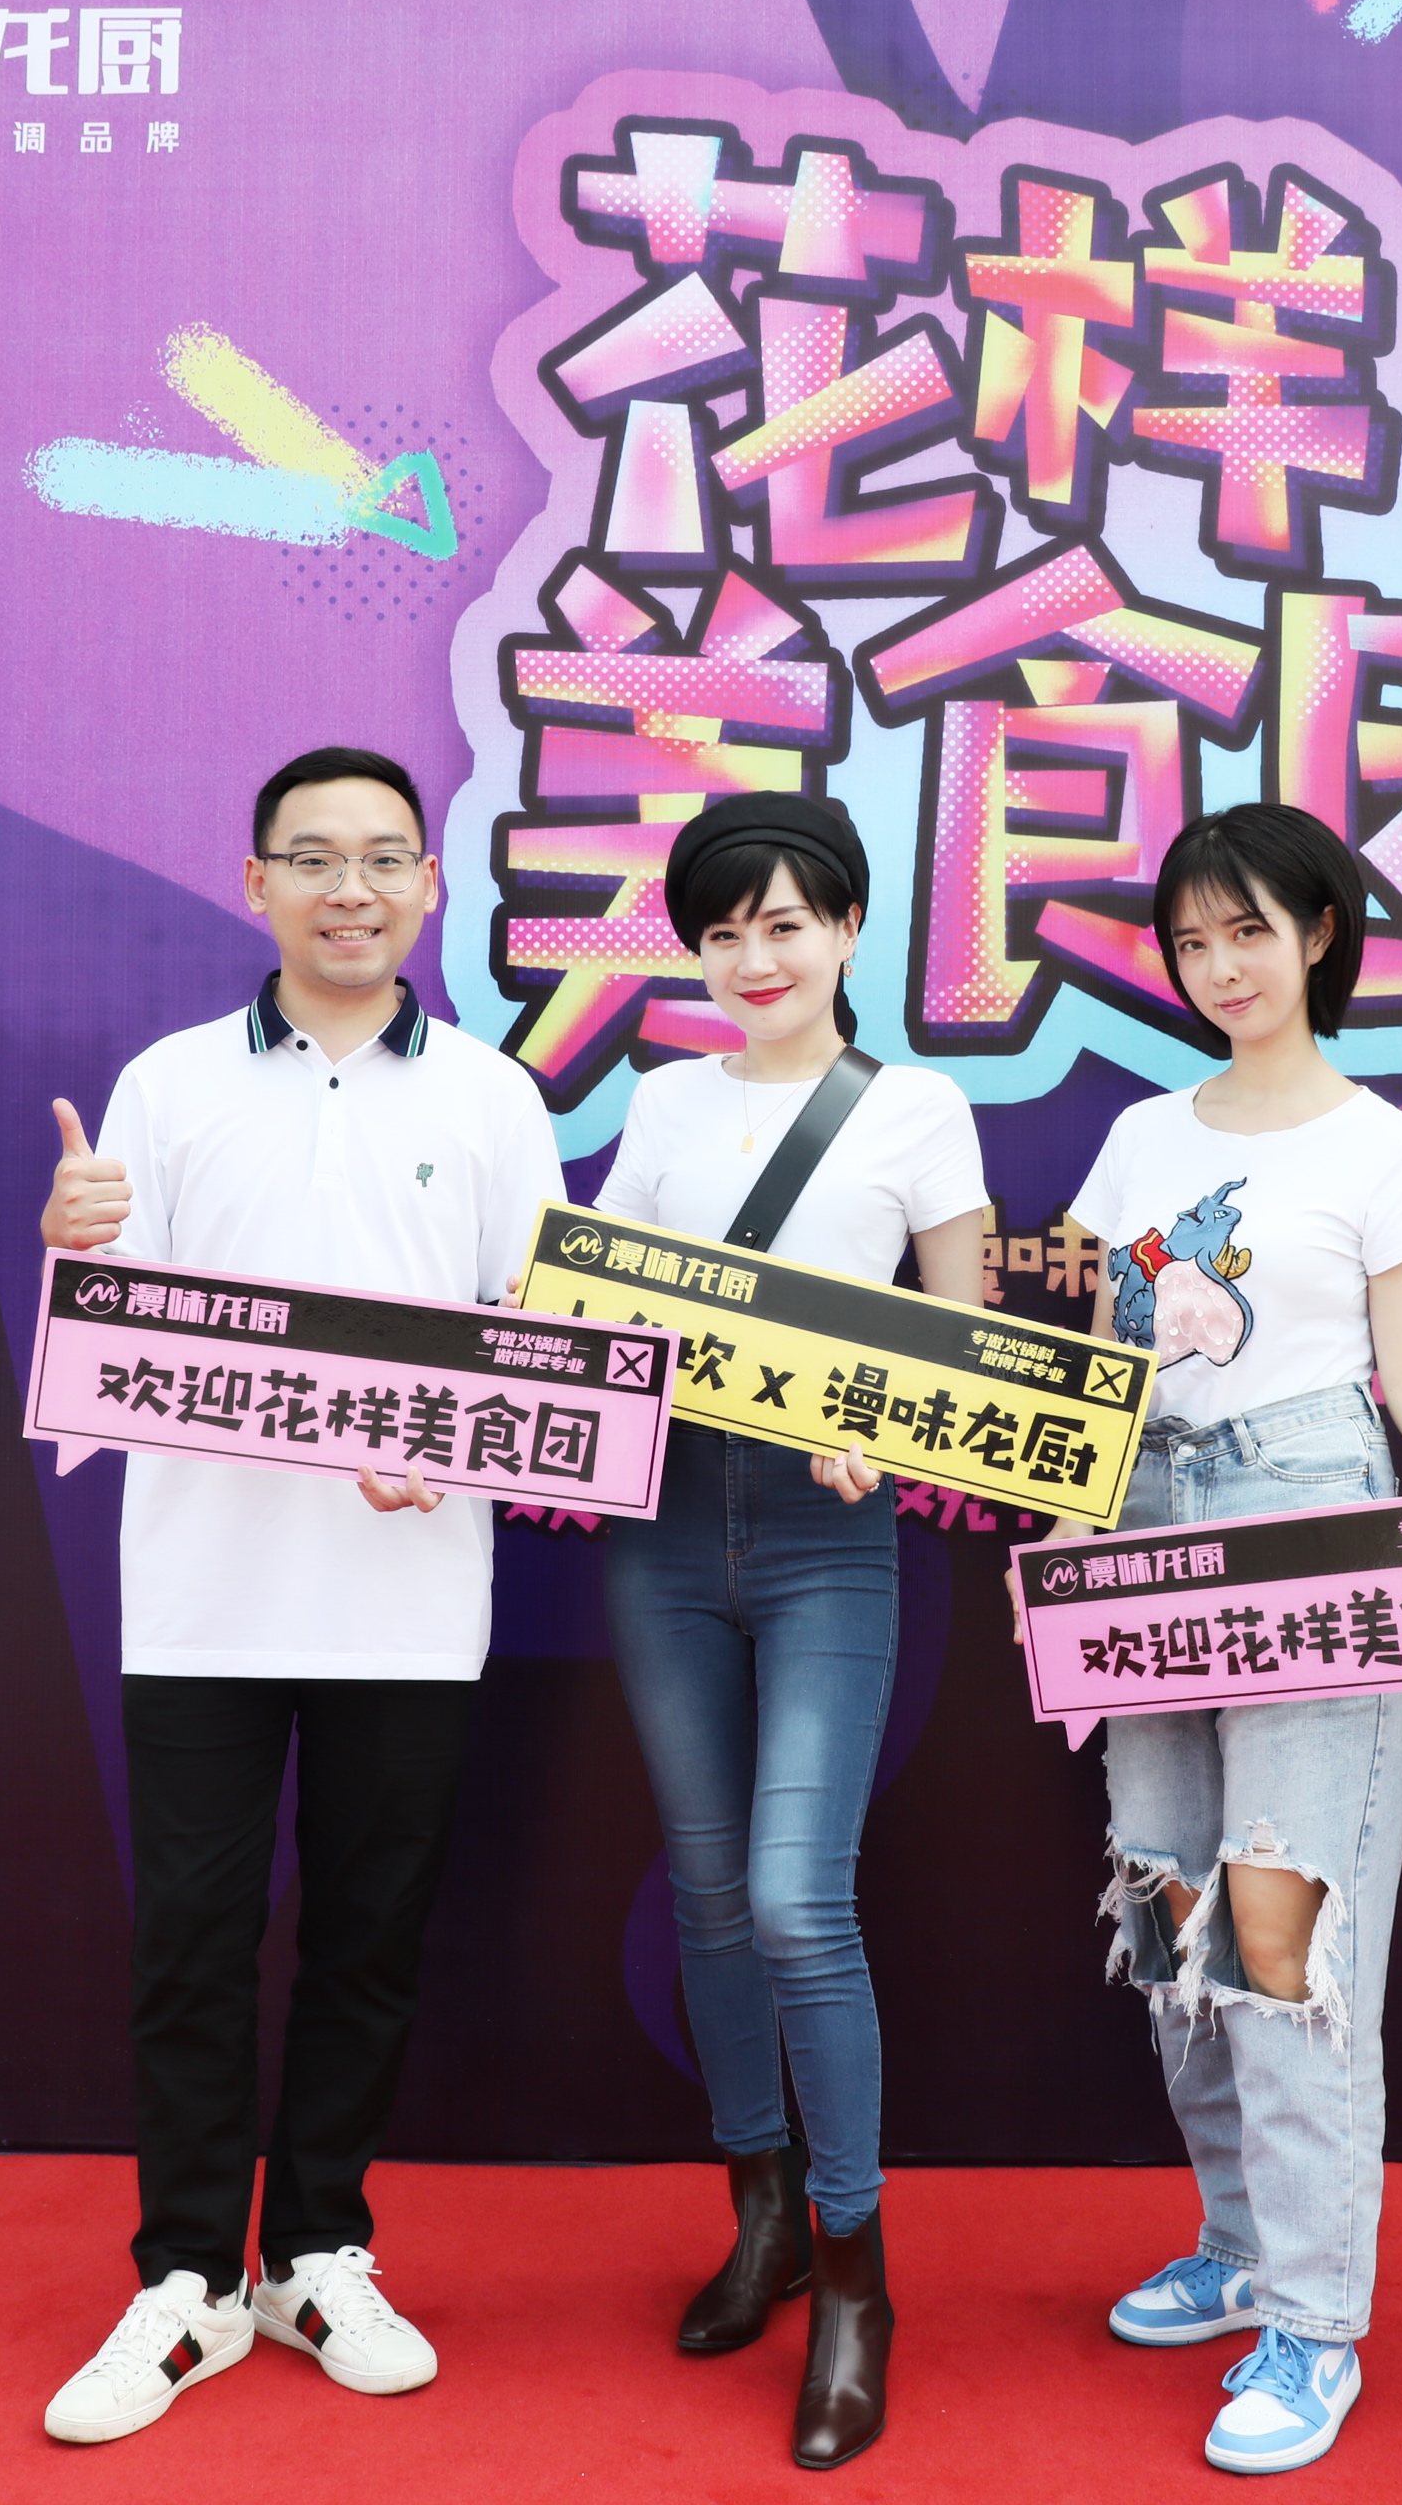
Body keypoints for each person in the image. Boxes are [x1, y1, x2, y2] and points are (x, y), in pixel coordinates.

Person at [32, 746, 566, 2446]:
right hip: (204, 1598)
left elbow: (541, 1344)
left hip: (408, 1602)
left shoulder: (493, 1098)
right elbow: (114, 1337)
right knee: (191, 1943)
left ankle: (318, 2252)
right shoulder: (168, 1084)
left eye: (385, 856)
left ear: (431, 885)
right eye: (314, 857)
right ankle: (188, 2279)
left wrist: (457, 1448)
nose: (351, 888)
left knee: (366, 1945)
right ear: (256, 881)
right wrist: (76, 1243)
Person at [1062, 802, 1402, 2479]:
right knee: (1173, 1911)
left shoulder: (1384, 1146)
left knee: (1283, 1933)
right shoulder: (1139, 1138)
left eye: (1250, 932)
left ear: (1320, 935)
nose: (1221, 967)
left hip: (1309, 1511)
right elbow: (1106, 1377)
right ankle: (1235, 2247)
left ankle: (1313, 2322)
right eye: (1192, 941)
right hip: (1144, 1526)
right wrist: (1069, 1537)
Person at [595, 789, 990, 2471]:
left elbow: (965, 1344)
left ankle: (852, 2277)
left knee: (791, 1900)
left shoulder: (917, 1108)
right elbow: (598, 1304)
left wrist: (887, 1427)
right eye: (722, 932)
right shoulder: (663, 1101)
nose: (754, 958)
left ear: (846, 929)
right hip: (666, 1531)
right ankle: (754, 2213)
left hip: (834, 1539)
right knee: (704, 1894)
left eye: (784, 924)